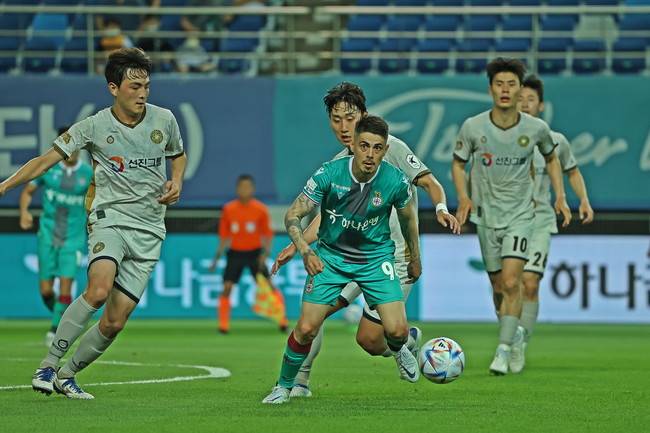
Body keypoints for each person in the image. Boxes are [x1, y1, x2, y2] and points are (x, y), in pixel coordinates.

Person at [0, 47, 186, 399]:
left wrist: (176, 181)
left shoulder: (164, 120)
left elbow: (178, 155)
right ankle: (48, 364)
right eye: (134, 87)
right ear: (113, 88)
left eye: (146, 86)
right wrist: (6, 185)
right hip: (109, 219)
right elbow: (45, 160)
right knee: (98, 290)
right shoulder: (94, 126)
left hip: (150, 229)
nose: (143, 94)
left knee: (115, 322)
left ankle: (67, 375)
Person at [271, 82, 460, 398]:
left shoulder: (390, 148)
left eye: (350, 118)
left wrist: (441, 208)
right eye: (336, 120)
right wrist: (295, 245)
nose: (344, 127)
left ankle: (404, 342)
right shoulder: (338, 165)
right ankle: (299, 382)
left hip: (392, 258)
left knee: (370, 341)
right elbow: (327, 217)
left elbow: (429, 182)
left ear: (364, 115)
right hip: (348, 256)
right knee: (313, 317)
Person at [263, 115, 423, 404]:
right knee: (306, 328)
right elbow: (293, 214)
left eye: (377, 148)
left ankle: (401, 347)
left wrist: (415, 257)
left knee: (397, 331)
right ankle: (283, 387)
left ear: (385, 150)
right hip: (332, 258)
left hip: (375, 260)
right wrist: (305, 250)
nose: (370, 154)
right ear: (355, 146)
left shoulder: (395, 181)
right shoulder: (329, 173)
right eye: (364, 146)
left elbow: (408, 220)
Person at [451, 57, 571, 376]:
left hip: (521, 215)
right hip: (486, 216)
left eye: (511, 84)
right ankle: (513, 333)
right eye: (499, 84)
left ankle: (504, 349)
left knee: (512, 280)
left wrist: (560, 196)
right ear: (490, 89)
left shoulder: (536, 128)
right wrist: (463, 197)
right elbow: (458, 163)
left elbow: (552, 159)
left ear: (519, 90)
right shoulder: (473, 127)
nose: (505, 90)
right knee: (497, 287)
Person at [509, 75, 595, 373]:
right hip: (507, 220)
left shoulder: (555, 141)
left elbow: (572, 171)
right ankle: (509, 337)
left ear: (541, 105)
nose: (525, 104)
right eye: (520, 99)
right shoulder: (501, 139)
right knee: (508, 286)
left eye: (530, 99)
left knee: (530, 282)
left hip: (540, 220)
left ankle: (519, 342)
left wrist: (582, 200)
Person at [19, 128, 93, 347]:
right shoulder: (49, 170)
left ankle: (55, 330)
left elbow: (97, 198)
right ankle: (65, 318)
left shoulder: (88, 173)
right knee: (45, 291)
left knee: (66, 287)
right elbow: (28, 191)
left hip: (73, 238)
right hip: (48, 236)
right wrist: (24, 212)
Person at [209, 174, 288, 333]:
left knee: (268, 285)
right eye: (241, 187)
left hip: (255, 254)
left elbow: (267, 235)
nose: (244, 190)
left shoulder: (260, 209)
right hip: (235, 254)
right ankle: (223, 325)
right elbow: (224, 237)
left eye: (247, 187)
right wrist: (216, 259)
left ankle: (282, 320)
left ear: (253, 189)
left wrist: (265, 254)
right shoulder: (229, 209)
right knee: (227, 287)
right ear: (237, 189)